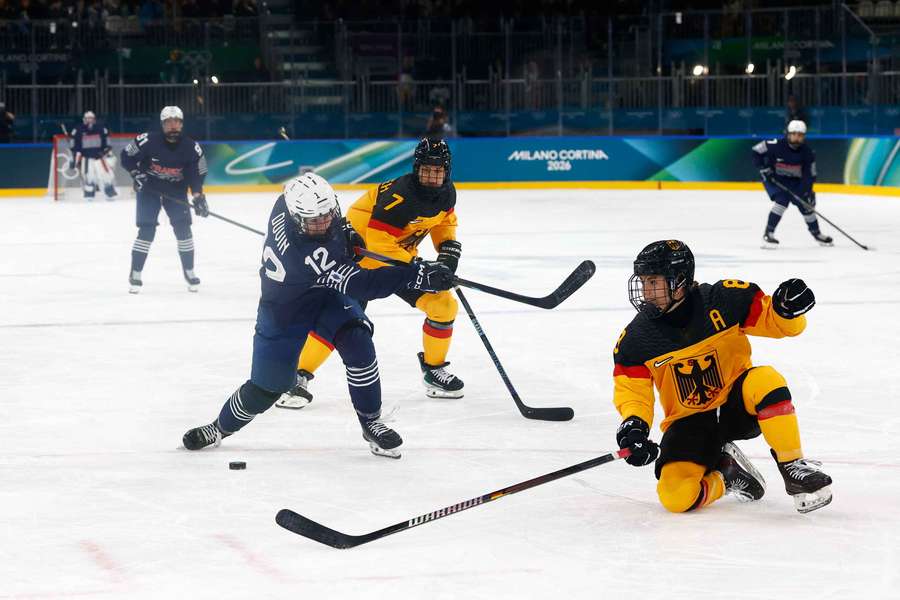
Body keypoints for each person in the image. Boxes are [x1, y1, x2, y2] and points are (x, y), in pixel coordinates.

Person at [182, 173, 454, 459]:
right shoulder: (308, 254)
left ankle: (371, 421)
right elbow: (365, 285)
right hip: (284, 312)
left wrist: (346, 231)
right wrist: (418, 275)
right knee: (267, 388)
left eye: (328, 215)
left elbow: (333, 225)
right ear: (297, 218)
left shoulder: (290, 203)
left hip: (323, 294)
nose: (324, 223)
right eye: (314, 221)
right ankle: (219, 428)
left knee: (359, 342)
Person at [612, 240, 833, 514]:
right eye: (644, 282)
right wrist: (635, 426)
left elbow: (775, 323)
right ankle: (727, 474)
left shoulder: (723, 300)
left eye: (654, 282)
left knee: (765, 379)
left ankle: (792, 466)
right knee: (676, 498)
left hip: (735, 407)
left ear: (679, 281)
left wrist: (787, 312)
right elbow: (633, 392)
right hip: (688, 423)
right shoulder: (636, 338)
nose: (647, 291)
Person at [275, 138, 462, 409]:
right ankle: (296, 376)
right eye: (426, 169)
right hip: (360, 256)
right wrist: (418, 270)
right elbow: (378, 241)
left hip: (398, 258)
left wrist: (447, 251)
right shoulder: (401, 196)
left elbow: (444, 222)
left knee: (443, 306)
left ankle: (434, 371)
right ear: (416, 168)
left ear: (446, 171)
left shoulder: (447, 193)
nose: (432, 176)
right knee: (344, 318)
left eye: (438, 170)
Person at [121, 106, 209, 294]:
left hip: (176, 191)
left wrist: (198, 195)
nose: (173, 126)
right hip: (149, 189)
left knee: (183, 228)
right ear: (162, 124)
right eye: (168, 122)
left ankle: (189, 271)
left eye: (176, 122)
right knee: (146, 230)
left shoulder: (192, 147)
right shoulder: (147, 140)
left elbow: (197, 172)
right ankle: (135, 273)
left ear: (182, 124)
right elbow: (126, 156)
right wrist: (136, 173)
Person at [752, 120, 832, 247]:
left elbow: (810, 175)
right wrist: (763, 168)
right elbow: (756, 151)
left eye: (800, 135)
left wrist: (805, 192)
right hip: (774, 179)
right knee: (782, 201)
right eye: (794, 134)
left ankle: (816, 233)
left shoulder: (808, 153)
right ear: (788, 134)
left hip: (795, 181)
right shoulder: (775, 144)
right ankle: (768, 233)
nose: (797, 137)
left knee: (806, 206)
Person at [70, 111, 118, 201]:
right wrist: (75, 156)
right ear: (84, 119)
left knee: (106, 176)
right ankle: (89, 195)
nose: (89, 120)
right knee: (88, 177)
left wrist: (106, 152)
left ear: (94, 119)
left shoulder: (101, 128)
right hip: (86, 158)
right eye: (87, 118)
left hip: (100, 158)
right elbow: (74, 144)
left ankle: (110, 194)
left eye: (91, 118)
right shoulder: (78, 129)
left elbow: (107, 143)